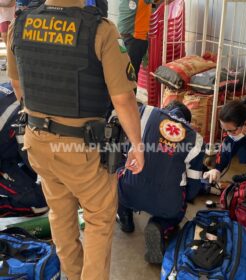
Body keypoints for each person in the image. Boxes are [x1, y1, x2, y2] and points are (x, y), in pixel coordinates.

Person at [7, 1, 144, 279]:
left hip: (37, 142)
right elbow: (123, 99)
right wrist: (138, 145)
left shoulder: (19, 24)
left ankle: (72, 273)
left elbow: (17, 84)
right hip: (81, 149)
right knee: (99, 219)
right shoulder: (101, 29)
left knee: (60, 213)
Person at [117, 100, 205, 264]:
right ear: (186, 121)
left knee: (119, 174)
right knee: (178, 205)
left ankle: (125, 217)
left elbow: (123, 151)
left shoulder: (146, 112)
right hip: (166, 203)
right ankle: (160, 224)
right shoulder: (196, 140)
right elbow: (193, 190)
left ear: (166, 110)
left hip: (130, 190)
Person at [117, 0, 162, 82]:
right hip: (121, 39)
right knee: (121, 72)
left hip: (134, 41)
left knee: (130, 76)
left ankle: (131, 94)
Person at [0, 0, 15, 70]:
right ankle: (8, 63)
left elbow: (10, 3)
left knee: (10, 44)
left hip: (9, 18)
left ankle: (10, 64)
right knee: (8, 45)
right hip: (3, 18)